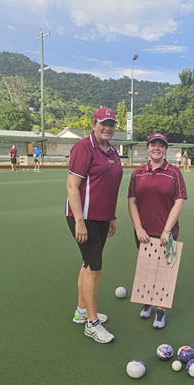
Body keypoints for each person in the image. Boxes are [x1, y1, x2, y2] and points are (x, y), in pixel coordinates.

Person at [65, 107, 123, 343]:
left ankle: (81, 311)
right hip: (84, 217)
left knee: (88, 263)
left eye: (111, 124)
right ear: (94, 124)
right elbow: (72, 186)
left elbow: (110, 186)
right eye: (103, 123)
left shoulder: (112, 151)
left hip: (101, 217)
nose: (107, 128)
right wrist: (79, 221)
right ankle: (92, 323)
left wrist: (111, 216)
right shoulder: (83, 147)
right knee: (95, 268)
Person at [127, 132, 188, 329]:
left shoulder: (174, 172)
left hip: (168, 232)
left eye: (161, 145)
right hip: (143, 232)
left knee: (165, 271)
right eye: (153, 144)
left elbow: (179, 201)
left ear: (165, 149)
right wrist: (138, 227)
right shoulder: (138, 173)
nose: (157, 148)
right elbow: (132, 200)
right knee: (147, 269)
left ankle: (161, 311)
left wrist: (167, 230)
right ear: (148, 147)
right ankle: (148, 303)